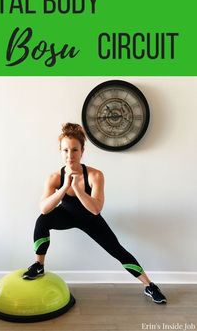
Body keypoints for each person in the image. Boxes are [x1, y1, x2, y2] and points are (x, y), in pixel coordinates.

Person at [23, 123, 167, 304]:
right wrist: (64, 188)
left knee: (117, 250)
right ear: (60, 151)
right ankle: (39, 265)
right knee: (42, 221)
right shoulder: (55, 178)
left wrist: (77, 188)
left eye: (74, 150)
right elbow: (44, 208)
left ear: (82, 151)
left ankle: (149, 285)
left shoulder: (95, 175)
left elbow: (96, 209)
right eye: (65, 150)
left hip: (89, 218)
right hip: (66, 215)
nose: (70, 155)